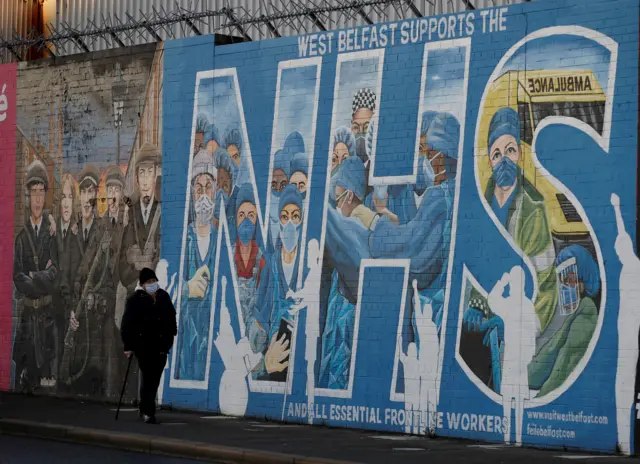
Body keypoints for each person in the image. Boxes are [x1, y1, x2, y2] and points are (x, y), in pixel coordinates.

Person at [483, 107, 558, 332]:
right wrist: (476, 304)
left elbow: (545, 284)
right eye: (497, 154)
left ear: (520, 155)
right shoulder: (482, 205)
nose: (504, 160)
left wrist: (521, 326)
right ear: (489, 160)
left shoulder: (533, 210)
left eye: (510, 150)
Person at [528, 245, 599, 397]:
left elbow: (567, 360)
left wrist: (541, 399)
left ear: (583, 277)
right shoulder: (575, 311)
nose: (566, 286)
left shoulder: (587, 309)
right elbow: (551, 350)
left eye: (571, 279)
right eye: (563, 280)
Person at [13, 160, 59, 392]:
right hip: (28, 318)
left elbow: (54, 274)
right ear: (28, 196)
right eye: (34, 193)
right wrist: (37, 281)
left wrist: (35, 275)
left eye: (41, 192)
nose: (38, 199)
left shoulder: (51, 234)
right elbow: (18, 277)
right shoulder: (21, 238)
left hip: (47, 319)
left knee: (47, 381)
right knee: (26, 377)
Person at [68, 164, 111, 396]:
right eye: (83, 192)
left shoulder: (103, 232)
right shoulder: (71, 233)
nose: (87, 198)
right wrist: (70, 311)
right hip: (75, 322)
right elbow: (65, 277)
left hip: (93, 324)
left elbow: (108, 278)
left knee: (93, 383)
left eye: (91, 192)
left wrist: (96, 299)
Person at [253, 185, 304, 381]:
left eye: (295, 216)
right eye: (284, 216)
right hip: (274, 359)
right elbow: (259, 319)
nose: (290, 223)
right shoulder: (271, 266)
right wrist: (264, 360)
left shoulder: (308, 265)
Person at [175, 149, 217, 381]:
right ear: (191, 192)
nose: (203, 195)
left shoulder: (222, 242)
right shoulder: (184, 241)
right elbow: (166, 289)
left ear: (215, 190)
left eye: (207, 187)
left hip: (213, 343)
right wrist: (186, 289)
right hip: (186, 347)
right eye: (198, 188)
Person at [121, 268, 177, 424]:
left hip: (161, 345)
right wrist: (128, 346)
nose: (152, 284)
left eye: (153, 281)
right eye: (148, 282)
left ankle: (144, 405)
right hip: (144, 346)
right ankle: (148, 412)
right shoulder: (135, 301)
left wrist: (171, 333)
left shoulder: (163, 297)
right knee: (149, 377)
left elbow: (171, 316)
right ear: (142, 284)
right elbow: (127, 324)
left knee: (154, 379)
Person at [487, 266, 536, 445]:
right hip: (514, 357)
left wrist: (502, 281)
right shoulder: (514, 304)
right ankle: (511, 437)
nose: (511, 287)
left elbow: (532, 335)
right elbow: (492, 301)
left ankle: (515, 438)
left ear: (519, 283)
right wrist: (502, 282)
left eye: (513, 283)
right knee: (510, 397)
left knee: (516, 398)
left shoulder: (521, 305)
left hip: (519, 358)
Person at [611, 192, 640, 455]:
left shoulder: (633, 266)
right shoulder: (628, 264)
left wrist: (618, 208)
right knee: (622, 390)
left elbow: (623, 238)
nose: (618, 252)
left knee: (625, 389)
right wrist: (617, 209)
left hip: (631, 340)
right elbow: (622, 234)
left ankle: (628, 445)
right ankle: (625, 444)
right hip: (625, 340)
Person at [119, 144, 162, 297]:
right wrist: (136, 286)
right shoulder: (131, 213)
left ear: (156, 174)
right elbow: (123, 264)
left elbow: (163, 259)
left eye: (149, 172)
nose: (145, 181)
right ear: (136, 177)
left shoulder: (162, 211)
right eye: (142, 173)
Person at [234, 183, 266, 334]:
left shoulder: (262, 260)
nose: (246, 221)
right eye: (242, 215)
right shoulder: (228, 255)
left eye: (251, 216)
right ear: (235, 219)